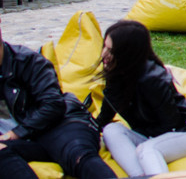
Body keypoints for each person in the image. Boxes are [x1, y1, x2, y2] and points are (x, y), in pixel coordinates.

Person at [0, 18, 118, 179]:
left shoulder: (27, 61)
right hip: (28, 141)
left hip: (60, 125)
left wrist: (15, 133)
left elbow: (53, 105)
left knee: (79, 157)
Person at [95, 20, 186, 176]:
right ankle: (140, 176)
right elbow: (105, 116)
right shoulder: (117, 74)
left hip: (184, 134)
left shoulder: (152, 80)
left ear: (127, 53)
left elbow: (170, 123)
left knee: (147, 150)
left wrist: (145, 139)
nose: (103, 54)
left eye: (111, 50)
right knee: (111, 130)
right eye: (104, 46)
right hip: (150, 135)